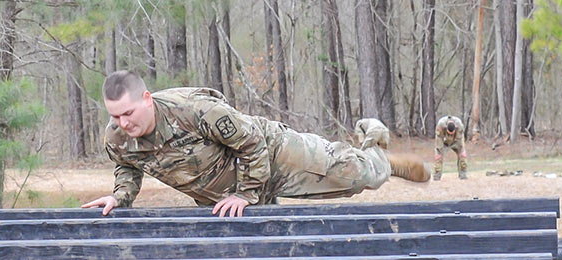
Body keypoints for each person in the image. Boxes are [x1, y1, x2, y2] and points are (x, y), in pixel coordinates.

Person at [81, 70, 429, 217]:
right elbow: (128, 165)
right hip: (226, 197)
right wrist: (119, 196)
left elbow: (251, 144)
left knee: (360, 179)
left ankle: (379, 150)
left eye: (128, 113)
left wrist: (245, 193)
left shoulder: (197, 111)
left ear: (146, 98)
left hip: (275, 154)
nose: (124, 123)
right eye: (115, 117)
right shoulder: (117, 137)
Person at [433, 115, 467, 180]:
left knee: (462, 155)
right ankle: (437, 176)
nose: (451, 134)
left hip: (456, 140)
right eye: (449, 133)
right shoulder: (440, 125)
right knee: (438, 157)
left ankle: (463, 175)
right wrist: (440, 150)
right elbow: (439, 140)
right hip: (443, 140)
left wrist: (460, 151)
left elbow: (460, 143)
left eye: (452, 133)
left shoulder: (459, 125)